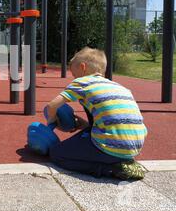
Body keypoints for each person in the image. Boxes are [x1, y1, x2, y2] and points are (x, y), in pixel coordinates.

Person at [45, 47, 147, 180]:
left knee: (57, 154)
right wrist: (86, 125)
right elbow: (113, 116)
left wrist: (51, 122)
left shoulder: (82, 82)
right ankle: (121, 160)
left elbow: (52, 106)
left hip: (110, 146)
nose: (74, 78)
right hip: (135, 145)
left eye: (74, 74)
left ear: (83, 67)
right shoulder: (120, 87)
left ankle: (109, 168)